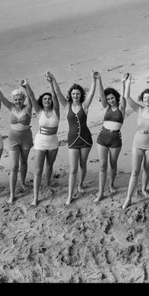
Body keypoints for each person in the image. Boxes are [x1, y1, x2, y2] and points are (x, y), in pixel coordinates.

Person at [48, 70, 98, 205]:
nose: (75, 95)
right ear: (70, 95)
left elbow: (92, 94)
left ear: (81, 95)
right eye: (73, 94)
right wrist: (53, 80)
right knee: (73, 169)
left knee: (83, 164)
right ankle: (70, 195)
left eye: (78, 94)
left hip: (86, 139)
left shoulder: (84, 105)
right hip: (72, 140)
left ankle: (80, 185)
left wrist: (94, 80)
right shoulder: (67, 105)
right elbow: (58, 94)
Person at [122, 73, 149, 210]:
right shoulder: (139, 109)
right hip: (137, 143)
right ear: (142, 99)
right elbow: (127, 97)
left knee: (147, 168)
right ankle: (128, 198)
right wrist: (129, 81)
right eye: (145, 98)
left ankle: (144, 188)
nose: (148, 99)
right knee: (135, 171)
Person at [0, 79, 34, 204]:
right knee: (14, 166)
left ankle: (23, 183)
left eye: (20, 99)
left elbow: (32, 96)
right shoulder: (10, 106)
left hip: (26, 138)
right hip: (13, 139)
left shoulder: (28, 107)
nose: (17, 101)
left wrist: (26, 87)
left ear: (23, 99)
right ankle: (12, 194)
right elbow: (1, 97)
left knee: (24, 162)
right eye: (15, 99)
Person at [22, 75, 60, 206]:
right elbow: (32, 98)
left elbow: (55, 96)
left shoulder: (56, 110)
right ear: (42, 101)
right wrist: (27, 86)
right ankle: (35, 197)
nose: (48, 100)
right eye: (45, 99)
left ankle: (48, 183)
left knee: (49, 165)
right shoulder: (39, 111)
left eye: (49, 99)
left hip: (53, 142)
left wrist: (51, 82)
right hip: (40, 142)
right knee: (38, 170)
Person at [93, 72, 128, 203]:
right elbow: (101, 94)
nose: (110, 100)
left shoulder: (121, 108)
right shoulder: (105, 107)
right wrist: (99, 79)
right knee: (103, 166)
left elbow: (124, 97)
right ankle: (101, 193)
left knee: (113, 164)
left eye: (112, 98)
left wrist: (123, 82)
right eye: (108, 99)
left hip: (115, 140)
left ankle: (111, 184)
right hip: (102, 138)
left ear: (116, 98)